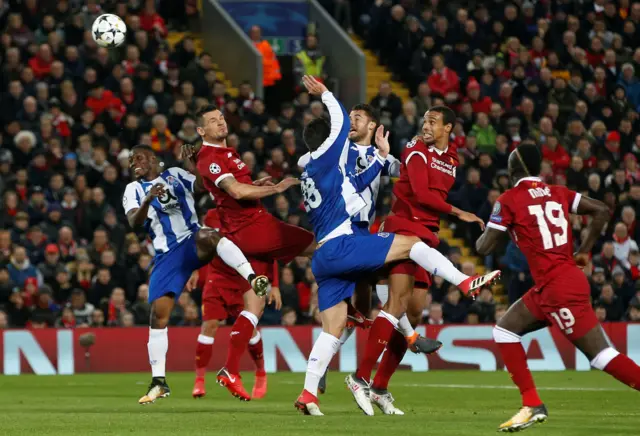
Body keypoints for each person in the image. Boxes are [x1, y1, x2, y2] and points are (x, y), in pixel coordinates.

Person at [293, 76, 500, 416]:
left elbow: (367, 180)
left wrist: (383, 158)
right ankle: (463, 282)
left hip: (326, 256)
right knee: (410, 247)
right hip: (348, 242)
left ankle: (308, 394)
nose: (348, 128)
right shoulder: (334, 155)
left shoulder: (312, 170)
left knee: (338, 325)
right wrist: (326, 93)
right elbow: (344, 129)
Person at [476, 143, 640, 432]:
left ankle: (531, 403)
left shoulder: (509, 199)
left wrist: (484, 225)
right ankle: (531, 404)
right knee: (504, 329)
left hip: (558, 288)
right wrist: (585, 251)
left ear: (514, 169)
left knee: (601, 356)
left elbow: (484, 246)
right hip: (555, 284)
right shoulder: (558, 192)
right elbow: (601, 210)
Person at [348, 106, 490, 415]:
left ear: (448, 128)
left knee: (412, 314)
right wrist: (459, 213)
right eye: (424, 120)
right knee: (396, 304)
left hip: (426, 235)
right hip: (401, 228)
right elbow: (425, 196)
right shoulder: (415, 150)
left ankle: (381, 387)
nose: (426, 126)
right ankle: (359, 377)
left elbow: (433, 196)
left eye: (433, 122)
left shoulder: (452, 160)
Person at [180, 104, 315, 402]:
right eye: (212, 121)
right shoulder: (211, 157)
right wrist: (277, 188)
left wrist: (255, 185)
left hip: (248, 233)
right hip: (254, 229)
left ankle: (230, 370)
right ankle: (349, 305)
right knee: (321, 246)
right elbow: (237, 193)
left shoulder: (226, 153)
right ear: (201, 131)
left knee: (253, 311)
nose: (220, 123)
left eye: (221, 118)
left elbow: (237, 190)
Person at [123, 145, 268, 405]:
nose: (134, 162)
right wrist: (148, 199)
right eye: (131, 160)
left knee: (209, 235)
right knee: (158, 314)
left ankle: (252, 277)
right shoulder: (133, 190)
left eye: (139, 158)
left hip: (191, 240)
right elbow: (134, 222)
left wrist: (193, 164)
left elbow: (201, 187)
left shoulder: (176, 174)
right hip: (166, 256)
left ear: (154, 160)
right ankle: (159, 382)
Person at [191, 207, 281, 400]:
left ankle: (260, 373)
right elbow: (203, 244)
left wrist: (274, 285)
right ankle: (199, 380)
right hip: (217, 277)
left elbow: (269, 250)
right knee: (209, 325)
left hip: (243, 279)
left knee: (251, 329)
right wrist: (194, 269)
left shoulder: (256, 216)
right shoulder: (212, 215)